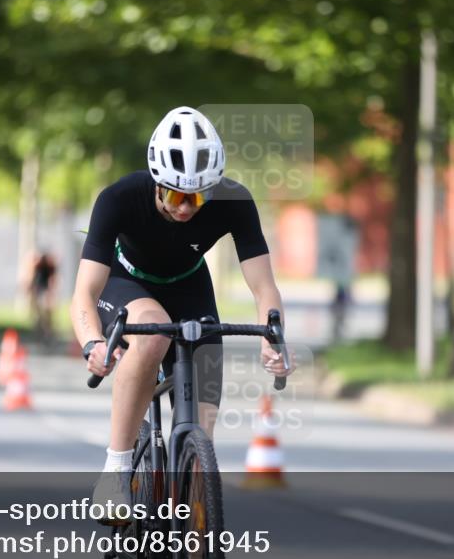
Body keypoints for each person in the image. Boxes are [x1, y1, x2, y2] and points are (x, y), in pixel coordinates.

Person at [70, 106, 294, 525]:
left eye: (199, 195)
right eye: (175, 195)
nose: (187, 208)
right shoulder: (118, 198)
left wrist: (273, 337)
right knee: (153, 335)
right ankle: (116, 471)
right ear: (156, 183)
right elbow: (84, 291)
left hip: (191, 287)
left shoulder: (235, 200)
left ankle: (191, 527)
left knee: (201, 432)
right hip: (129, 282)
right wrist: (93, 342)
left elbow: (264, 287)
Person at [27, 250, 58, 346]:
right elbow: (33, 279)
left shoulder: (49, 267)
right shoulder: (38, 266)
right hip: (39, 291)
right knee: (39, 316)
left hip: (44, 291)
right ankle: (41, 334)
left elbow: (52, 280)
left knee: (46, 315)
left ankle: (47, 335)